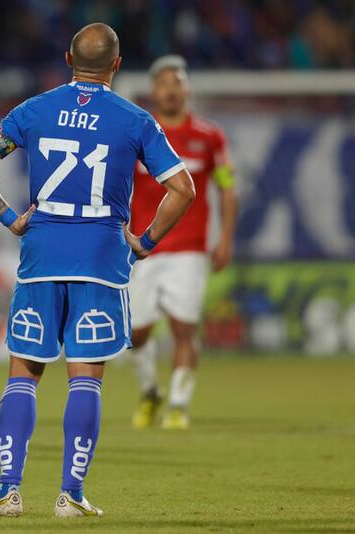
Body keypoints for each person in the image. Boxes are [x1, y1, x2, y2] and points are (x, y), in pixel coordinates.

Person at [0, 23, 195, 518]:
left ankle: (8, 489)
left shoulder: (34, 110)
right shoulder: (135, 120)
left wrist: (9, 218)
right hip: (102, 261)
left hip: (41, 256)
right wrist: (146, 242)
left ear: (68, 57)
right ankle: (71, 494)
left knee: (23, 372)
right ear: (117, 64)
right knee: (85, 377)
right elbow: (183, 189)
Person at [128, 55, 238, 431]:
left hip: (190, 249)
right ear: (153, 90)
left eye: (177, 83)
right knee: (137, 332)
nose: (171, 90)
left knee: (183, 328)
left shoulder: (209, 137)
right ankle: (149, 392)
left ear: (187, 90)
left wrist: (224, 239)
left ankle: (177, 404)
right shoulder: (138, 133)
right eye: (164, 83)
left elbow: (227, 189)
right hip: (142, 247)